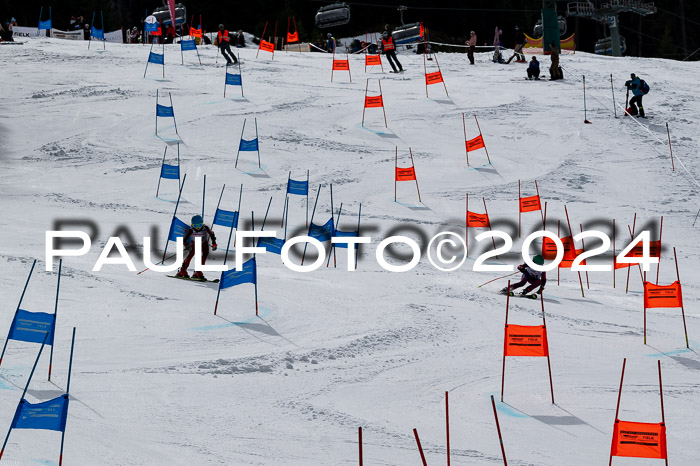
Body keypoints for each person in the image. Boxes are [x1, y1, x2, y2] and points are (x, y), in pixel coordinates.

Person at [176, 215, 218, 279]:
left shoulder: (205, 228)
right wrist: (186, 244)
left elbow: (212, 234)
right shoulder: (191, 230)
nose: (198, 227)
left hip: (204, 244)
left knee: (205, 254)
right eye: (196, 226)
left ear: (202, 224)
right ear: (192, 225)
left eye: (199, 225)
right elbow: (185, 239)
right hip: (195, 244)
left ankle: (198, 271)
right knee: (191, 254)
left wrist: (214, 243)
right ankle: (183, 271)